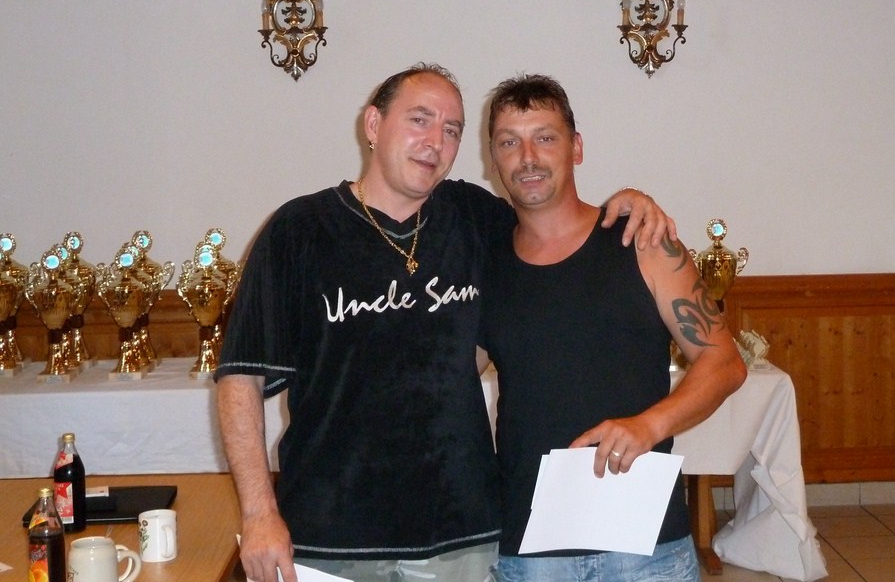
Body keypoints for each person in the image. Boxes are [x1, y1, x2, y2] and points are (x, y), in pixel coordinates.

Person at [215, 63, 675, 582]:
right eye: (419, 120)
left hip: (461, 533)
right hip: (331, 533)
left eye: (451, 129)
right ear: (373, 124)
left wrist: (632, 202)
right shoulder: (299, 232)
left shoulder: (476, 219)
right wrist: (259, 514)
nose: (435, 141)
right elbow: (240, 381)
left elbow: (556, 218)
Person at [481, 74, 748, 582]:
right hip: (531, 551)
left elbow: (725, 361)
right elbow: (446, 371)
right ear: (493, 158)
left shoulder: (641, 241)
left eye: (545, 137)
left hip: (647, 545)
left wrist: (649, 425)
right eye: (509, 142)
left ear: (576, 148)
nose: (528, 157)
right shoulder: (484, 265)